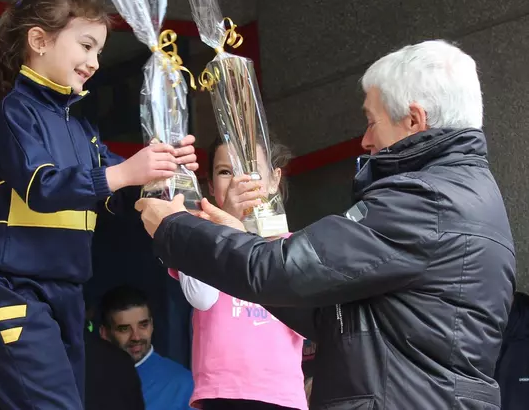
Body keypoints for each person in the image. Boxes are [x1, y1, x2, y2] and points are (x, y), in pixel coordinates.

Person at [135, 40, 515, 409]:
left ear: (414, 119)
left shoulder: (425, 201)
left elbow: (284, 269)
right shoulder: (457, 194)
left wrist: (174, 227)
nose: (365, 140)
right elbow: (336, 319)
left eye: (372, 122)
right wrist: (232, 235)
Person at [0, 0, 198, 409]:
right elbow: (42, 188)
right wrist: (127, 171)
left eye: (99, 52)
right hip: (17, 290)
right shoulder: (12, 116)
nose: (94, 62)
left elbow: (117, 194)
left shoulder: (81, 127)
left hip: (69, 293)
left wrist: (164, 172)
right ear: (39, 40)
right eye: (86, 46)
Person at [172, 138, 306, 410]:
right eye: (225, 172)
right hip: (221, 394)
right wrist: (227, 223)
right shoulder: (195, 235)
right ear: (210, 185)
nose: (238, 182)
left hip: (281, 395)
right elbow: (202, 298)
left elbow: (308, 319)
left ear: (274, 179)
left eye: (250, 169)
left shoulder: (294, 246)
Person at [99, 286, 193, 410]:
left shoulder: (183, 384)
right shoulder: (88, 379)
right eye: (124, 329)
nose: (136, 337)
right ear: (104, 333)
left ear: (152, 325)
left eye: (143, 325)